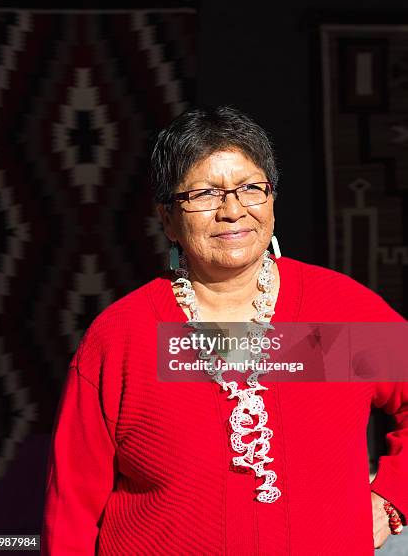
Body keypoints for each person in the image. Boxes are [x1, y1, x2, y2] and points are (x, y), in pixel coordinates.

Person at [41, 106, 407, 555]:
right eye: (204, 194)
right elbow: (72, 506)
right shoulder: (123, 337)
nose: (233, 211)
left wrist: (392, 496)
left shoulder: (338, 313)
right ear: (168, 219)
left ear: (272, 200)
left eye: (251, 188)